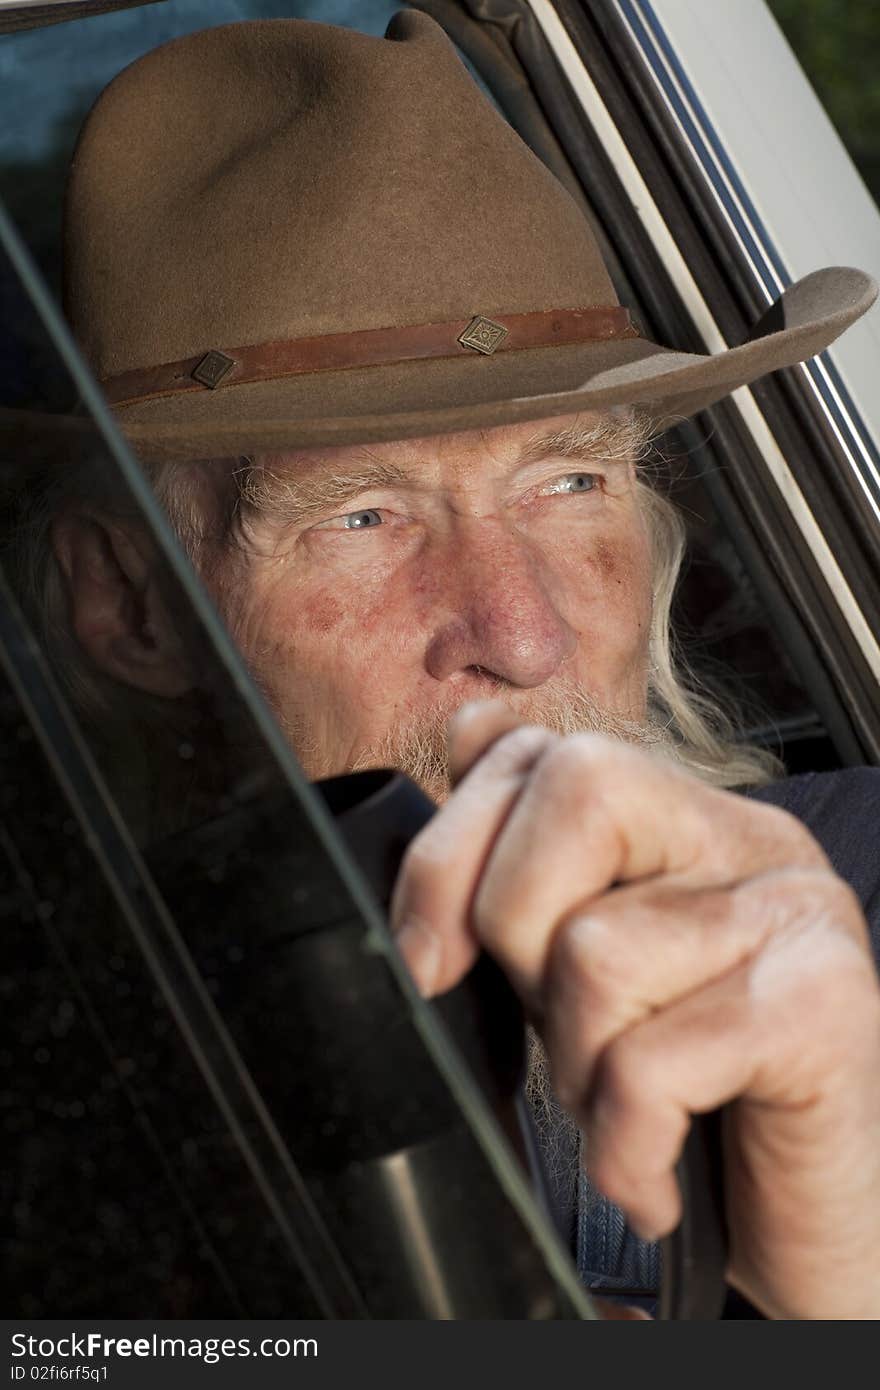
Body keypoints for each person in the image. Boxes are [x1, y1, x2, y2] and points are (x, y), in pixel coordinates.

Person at [10, 12, 880, 1317]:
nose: (521, 632)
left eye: (572, 479)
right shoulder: (76, 1081)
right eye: (365, 517)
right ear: (128, 601)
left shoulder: (846, 906)